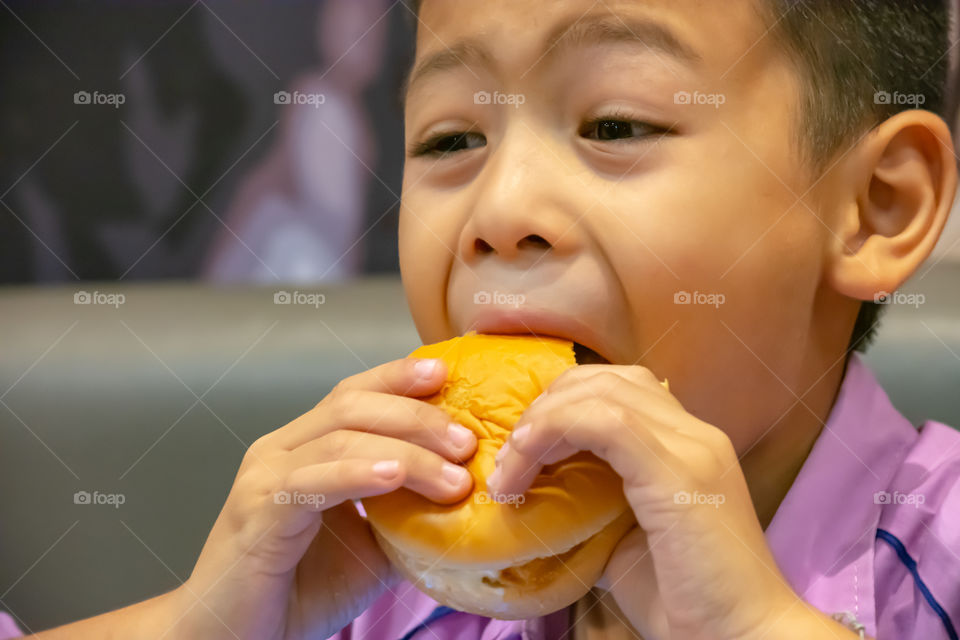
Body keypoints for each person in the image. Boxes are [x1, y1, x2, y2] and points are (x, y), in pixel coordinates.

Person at [8, 0, 960, 638]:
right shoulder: (394, 592)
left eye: (616, 125)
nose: (498, 215)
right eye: (452, 139)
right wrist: (201, 623)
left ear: (878, 206)